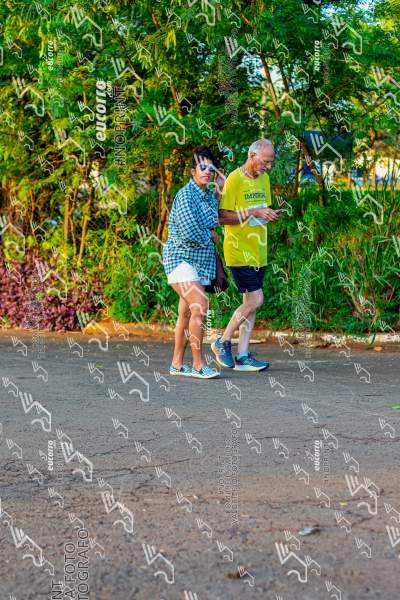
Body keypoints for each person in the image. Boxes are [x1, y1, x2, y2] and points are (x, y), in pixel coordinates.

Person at [211, 139, 280, 372]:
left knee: (250, 304)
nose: (268, 167)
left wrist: (268, 214)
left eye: (271, 162)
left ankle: (242, 355)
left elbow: (260, 210)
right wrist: (254, 212)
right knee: (256, 300)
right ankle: (222, 341)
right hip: (239, 250)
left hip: (259, 250)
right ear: (252, 156)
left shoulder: (264, 179)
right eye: (265, 161)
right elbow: (222, 217)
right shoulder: (234, 179)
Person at [162, 145, 225, 379]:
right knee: (200, 304)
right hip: (180, 259)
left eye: (211, 168)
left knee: (186, 313)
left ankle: (177, 364)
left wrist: (220, 189)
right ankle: (199, 365)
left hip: (198, 262)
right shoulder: (185, 195)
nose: (207, 172)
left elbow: (212, 218)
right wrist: (210, 235)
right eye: (202, 168)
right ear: (192, 171)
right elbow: (189, 231)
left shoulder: (208, 194)